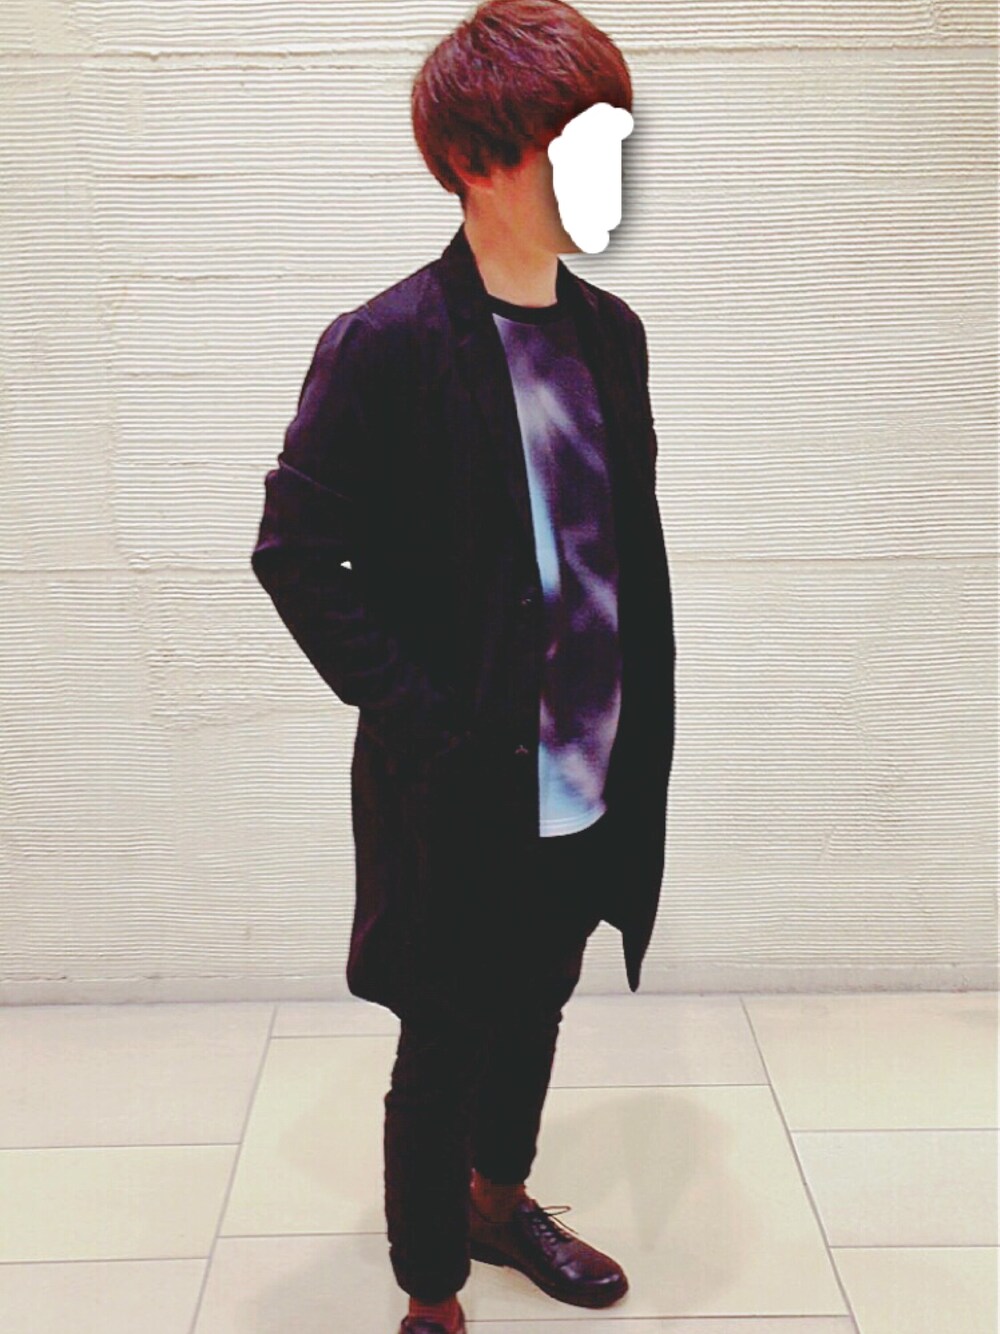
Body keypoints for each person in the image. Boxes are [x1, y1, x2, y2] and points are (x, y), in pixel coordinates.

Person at [250, 3, 675, 1330]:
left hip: (590, 760)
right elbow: (296, 551)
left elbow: (612, 544)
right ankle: (431, 1286)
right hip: (459, 777)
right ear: (480, 158)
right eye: (577, 143)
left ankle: (501, 1197)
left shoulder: (611, 333)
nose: (609, 169)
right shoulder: (386, 344)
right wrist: (425, 719)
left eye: (615, 140)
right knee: (444, 1032)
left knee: (540, 997)